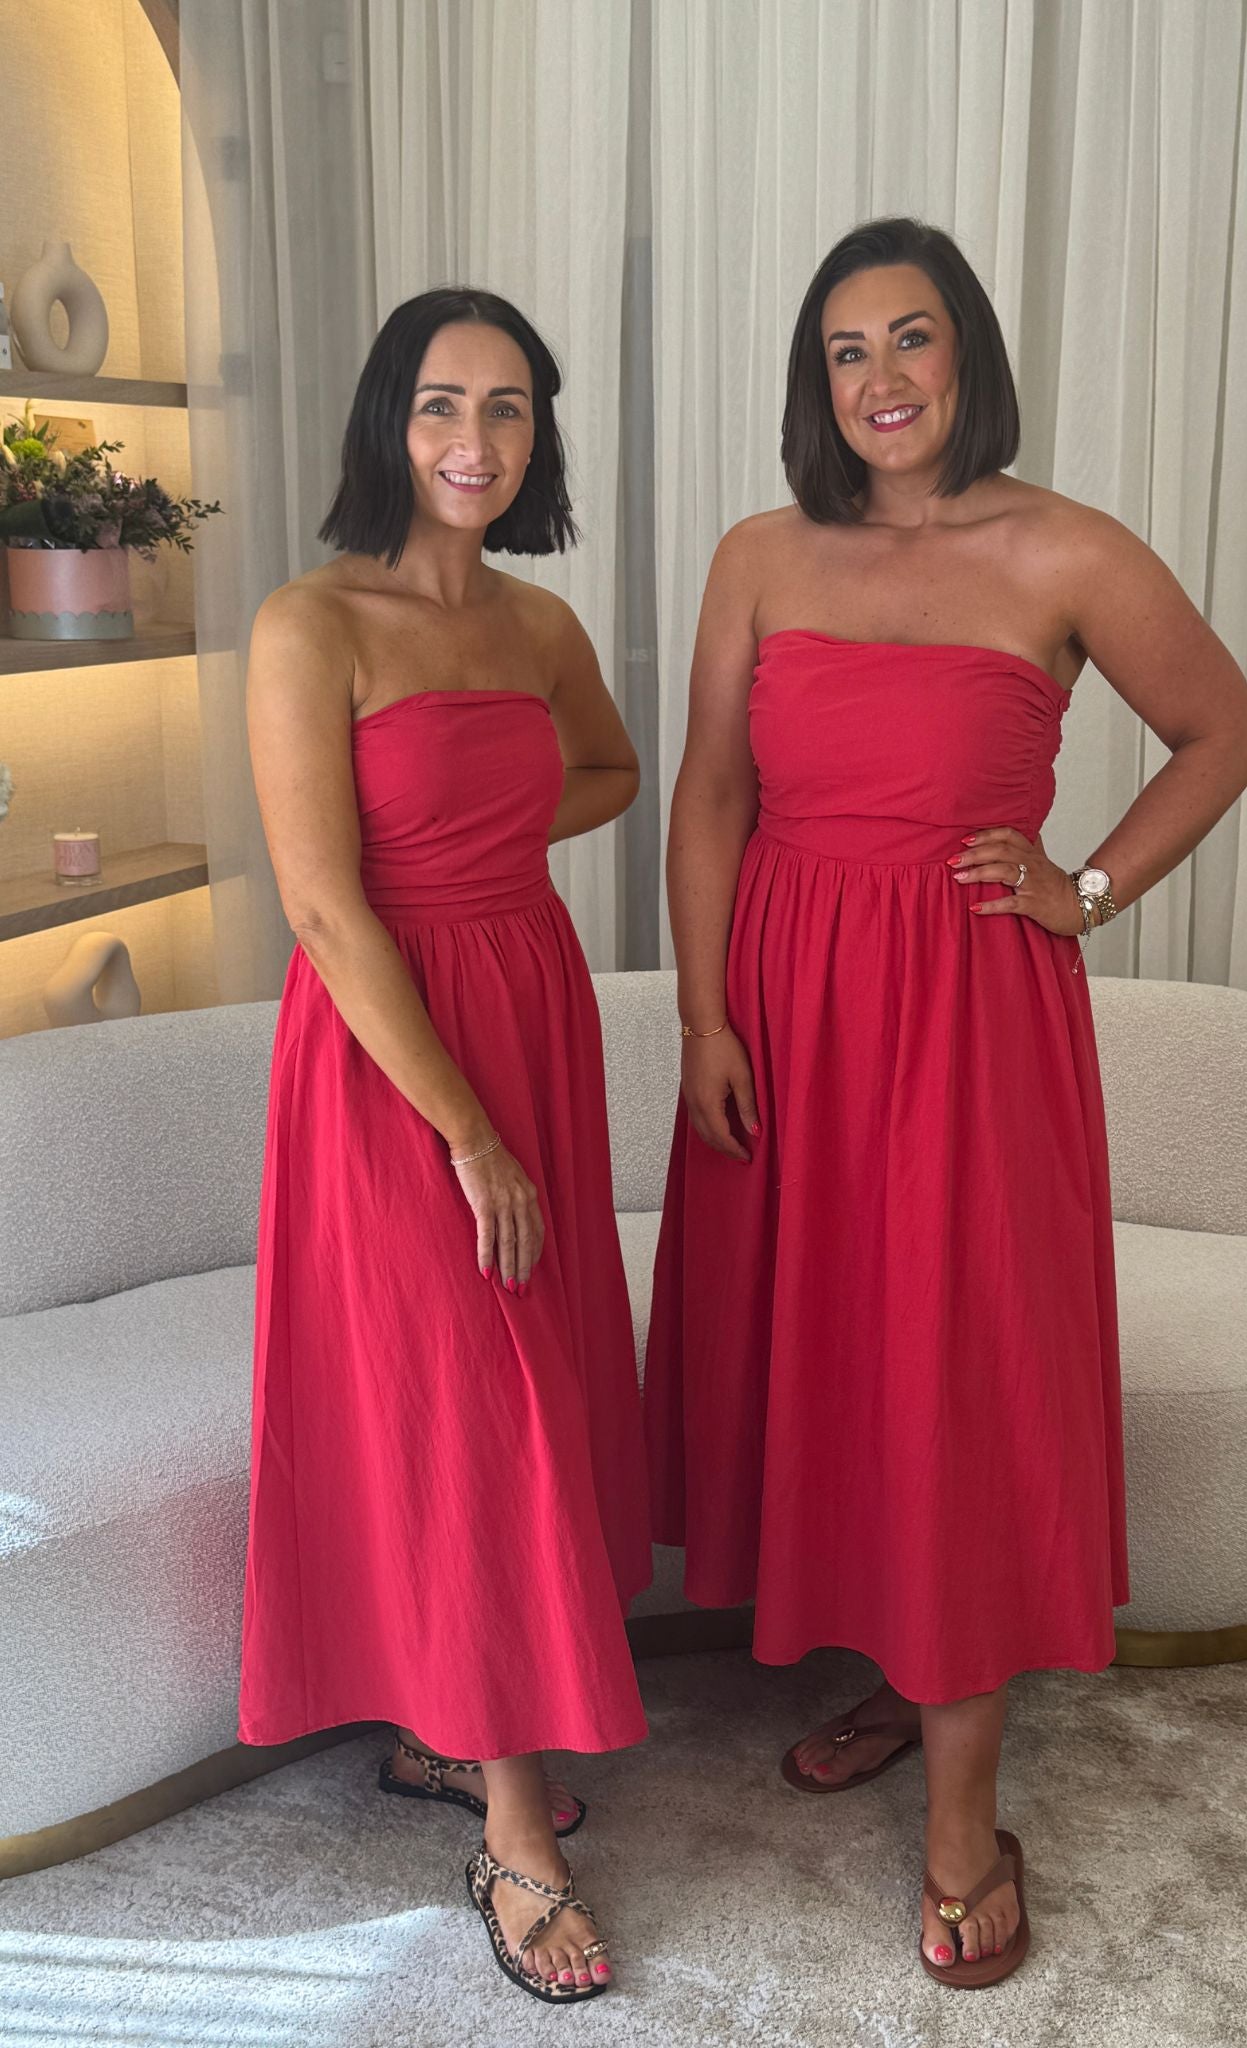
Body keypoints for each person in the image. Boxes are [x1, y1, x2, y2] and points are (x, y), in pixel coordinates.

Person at [644, 216, 1247, 1989]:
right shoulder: (760, 553)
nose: (881, 379)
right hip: (786, 1011)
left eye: (909, 338)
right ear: (815, 383)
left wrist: (1087, 886)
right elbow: (708, 797)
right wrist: (702, 1014)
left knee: (956, 1378)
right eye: (845, 351)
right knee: (843, 1358)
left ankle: (963, 1826)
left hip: (966, 1027)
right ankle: (904, 1675)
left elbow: (1220, 729)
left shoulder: (1062, 548)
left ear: (965, 352)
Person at [240, 285, 651, 2006]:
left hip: (525, 999)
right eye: (437, 404)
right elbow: (324, 906)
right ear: (385, 424)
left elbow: (611, 770)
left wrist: (491, 829)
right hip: (390, 1051)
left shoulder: (539, 625)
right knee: (466, 1394)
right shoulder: (308, 622)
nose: (471, 440)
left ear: (537, 434)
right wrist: (468, 1132)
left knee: (524, 1373)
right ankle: (510, 1831)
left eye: (505, 407)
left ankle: (451, 1720)